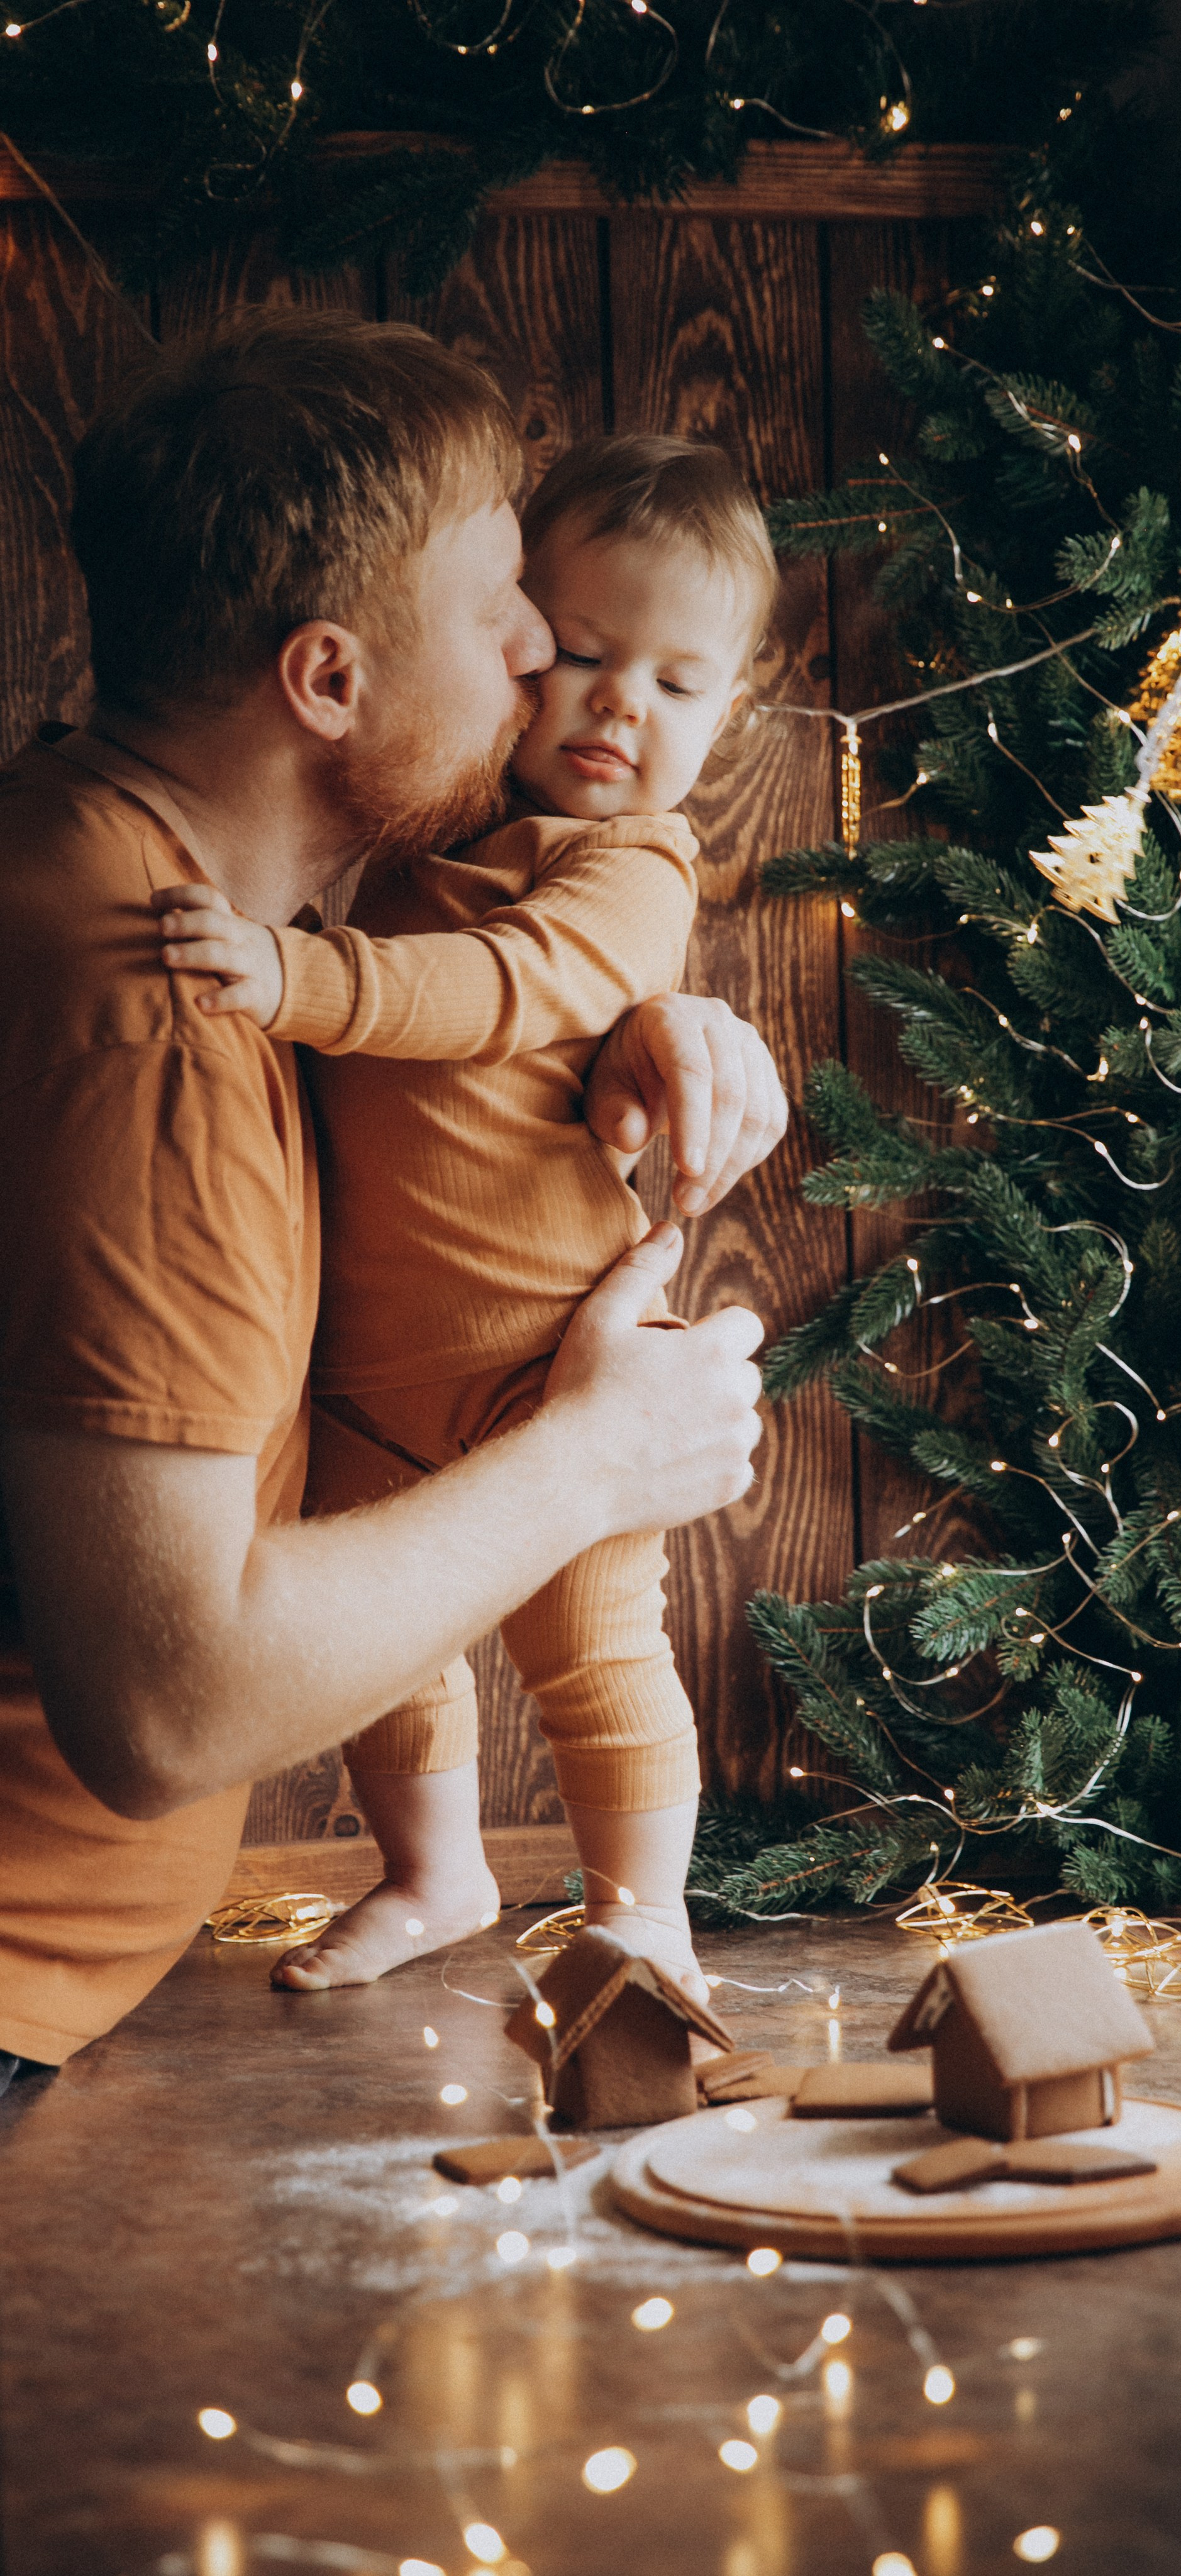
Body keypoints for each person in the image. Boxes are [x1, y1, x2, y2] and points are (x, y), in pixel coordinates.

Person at [0, 311, 785, 2084]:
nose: (539, 655)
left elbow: (490, 975)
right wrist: (600, 1456)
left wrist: (644, 1006)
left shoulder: (105, 863)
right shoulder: (158, 1003)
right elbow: (170, 1711)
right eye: (504, 599)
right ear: (331, 681)